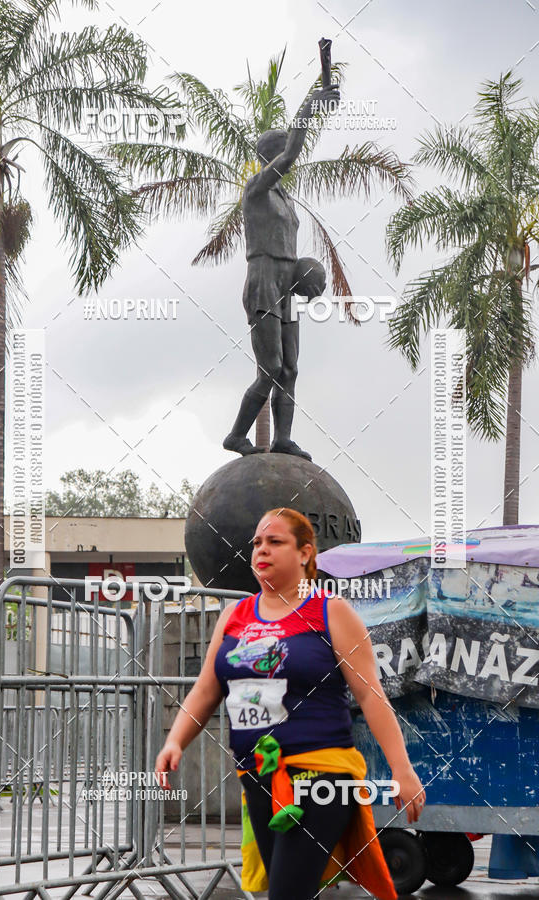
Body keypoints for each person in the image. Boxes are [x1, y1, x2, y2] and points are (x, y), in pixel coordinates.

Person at [155, 508, 426, 900]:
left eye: (275, 542)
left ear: (304, 553)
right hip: (258, 776)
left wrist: (402, 769)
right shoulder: (235, 617)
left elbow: (370, 694)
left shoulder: (330, 612)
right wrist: (174, 742)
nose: (261, 550)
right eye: (257, 543)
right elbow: (205, 690)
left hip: (320, 777)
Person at [223, 85, 339, 462]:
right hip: (263, 279)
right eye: (283, 149)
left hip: (287, 284)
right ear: (271, 154)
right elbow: (292, 154)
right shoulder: (256, 188)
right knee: (270, 368)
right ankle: (236, 435)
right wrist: (311, 105)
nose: (290, 154)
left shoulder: (286, 201)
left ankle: (283, 438)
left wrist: (308, 273)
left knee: (290, 368)